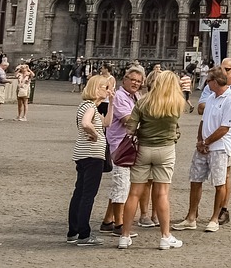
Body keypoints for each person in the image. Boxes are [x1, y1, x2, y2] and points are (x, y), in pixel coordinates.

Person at [117, 70, 187, 250]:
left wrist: (141, 131)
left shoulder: (143, 102)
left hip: (144, 149)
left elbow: (130, 128)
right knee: (162, 193)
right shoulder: (177, 103)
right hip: (166, 149)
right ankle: (165, 236)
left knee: (134, 193)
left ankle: (124, 236)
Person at [172, 67, 231, 233]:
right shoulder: (211, 97)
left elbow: (225, 127)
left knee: (219, 182)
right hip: (204, 145)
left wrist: (207, 142)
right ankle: (191, 217)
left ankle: (215, 218)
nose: (206, 83)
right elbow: (204, 120)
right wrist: (199, 140)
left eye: (208, 80)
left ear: (215, 82)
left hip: (219, 147)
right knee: (195, 180)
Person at [99, 66, 144, 234]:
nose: (135, 83)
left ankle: (107, 221)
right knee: (122, 185)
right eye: (132, 79)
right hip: (120, 146)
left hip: (128, 145)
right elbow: (128, 121)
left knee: (120, 184)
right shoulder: (120, 97)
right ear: (124, 80)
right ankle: (119, 224)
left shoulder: (135, 96)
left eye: (138, 81)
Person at [67, 75, 111, 245]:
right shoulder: (90, 106)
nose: (107, 91)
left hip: (83, 154)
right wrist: (95, 134)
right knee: (87, 195)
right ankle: (84, 234)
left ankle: (73, 231)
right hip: (92, 155)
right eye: (105, 87)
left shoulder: (88, 106)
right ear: (96, 88)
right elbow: (86, 124)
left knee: (79, 192)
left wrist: (112, 101)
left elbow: (107, 122)